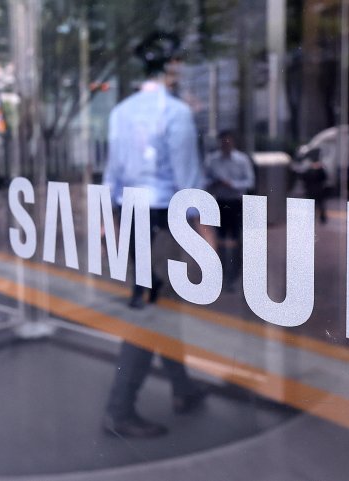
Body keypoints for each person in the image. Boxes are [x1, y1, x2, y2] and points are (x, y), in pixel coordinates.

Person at [102, 31, 207, 438]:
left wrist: (111, 224)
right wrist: (206, 238)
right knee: (152, 311)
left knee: (161, 304)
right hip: (164, 220)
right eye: (178, 61)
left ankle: (182, 389)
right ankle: (119, 409)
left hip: (130, 215)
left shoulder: (121, 112)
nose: (181, 67)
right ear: (170, 65)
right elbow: (189, 181)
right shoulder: (176, 113)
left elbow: (112, 175)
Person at [206, 130, 255, 292]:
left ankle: (234, 275)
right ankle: (221, 274)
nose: (225, 145)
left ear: (233, 142)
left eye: (228, 141)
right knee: (219, 239)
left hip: (235, 202)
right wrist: (214, 183)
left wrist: (232, 184)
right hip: (219, 202)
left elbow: (250, 181)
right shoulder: (212, 160)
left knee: (236, 240)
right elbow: (205, 179)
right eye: (223, 142)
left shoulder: (242, 160)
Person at [301, 152, 328, 224]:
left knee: (316, 205)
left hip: (313, 190)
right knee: (319, 204)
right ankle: (321, 218)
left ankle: (317, 218)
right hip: (318, 189)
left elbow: (304, 178)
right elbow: (324, 178)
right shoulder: (318, 170)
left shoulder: (310, 170)